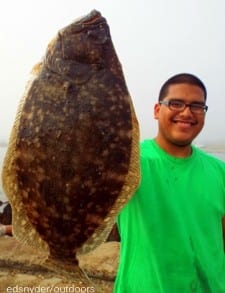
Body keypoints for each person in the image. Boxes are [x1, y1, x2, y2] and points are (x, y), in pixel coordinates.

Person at [114, 73, 225, 292]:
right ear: (157, 110)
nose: (186, 112)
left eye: (197, 106)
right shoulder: (126, 163)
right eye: (176, 103)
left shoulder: (219, 171)